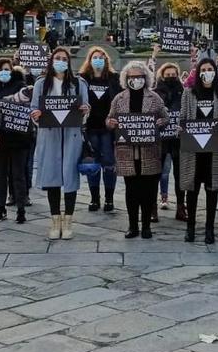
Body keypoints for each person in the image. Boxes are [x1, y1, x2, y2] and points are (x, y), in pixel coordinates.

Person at [29, 47, 90, 240]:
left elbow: (85, 109)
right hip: (49, 135)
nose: (61, 61)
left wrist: (85, 110)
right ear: (51, 60)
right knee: (52, 177)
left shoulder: (79, 83)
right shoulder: (41, 83)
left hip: (71, 135)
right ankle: (55, 220)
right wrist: (36, 115)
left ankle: (69, 220)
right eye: (58, 58)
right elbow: (33, 109)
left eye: (64, 58)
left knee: (70, 177)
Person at [108, 61, 168, 239]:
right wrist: (110, 123)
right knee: (131, 190)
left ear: (146, 78)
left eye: (139, 77)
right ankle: (132, 225)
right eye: (132, 77)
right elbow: (109, 119)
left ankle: (147, 226)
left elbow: (165, 117)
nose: (136, 80)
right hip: (127, 151)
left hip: (149, 150)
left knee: (148, 190)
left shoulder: (154, 98)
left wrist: (161, 122)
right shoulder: (119, 99)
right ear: (126, 79)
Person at [179, 58, 218, 244]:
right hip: (193, 150)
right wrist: (180, 128)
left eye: (210, 69)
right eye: (204, 69)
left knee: (212, 189)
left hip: (214, 149)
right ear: (198, 72)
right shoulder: (188, 93)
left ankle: (210, 228)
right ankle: (191, 227)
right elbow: (183, 118)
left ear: (215, 72)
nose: (207, 72)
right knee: (192, 189)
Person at [0, 58, 33, 224]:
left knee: (18, 174)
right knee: (1, 174)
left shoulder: (20, 86)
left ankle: (21, 209)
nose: (4, 72)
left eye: (7, 69)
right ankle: (1, 208)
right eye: (0, 69)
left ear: (12, 71)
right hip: (0, 137)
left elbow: (28, 99)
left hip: (19, 137)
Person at [79, 46, 120, 213]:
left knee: (109, 164)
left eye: (101, 58)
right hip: (90, 128)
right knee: (92, 164)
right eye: (95, 57)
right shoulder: (82, 79)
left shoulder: (113, 78)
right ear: (89, 60)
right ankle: (94, 198)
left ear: (106, 61)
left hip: (108, 129)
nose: (98, 61)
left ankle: (109, 199)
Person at [154, 61, 186, 222]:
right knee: (156, 173)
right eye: (168, 75)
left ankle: (181, 207)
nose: (171, 77)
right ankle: (153, 208)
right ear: (162, 76)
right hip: (160, 139)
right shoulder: (155, 93)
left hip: (178, 139)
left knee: (180, 174)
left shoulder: (184, 92)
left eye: (174, 75)